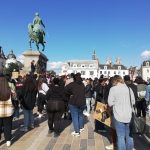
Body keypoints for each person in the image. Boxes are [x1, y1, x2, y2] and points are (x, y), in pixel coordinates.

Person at [108, 76, 135, 150]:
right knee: (129, 136)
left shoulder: (113, 89)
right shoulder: (129, 89)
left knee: (120, 137)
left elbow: (110, 103)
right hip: (129, 115)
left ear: (114, 81)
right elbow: (133, 101)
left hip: (118, 115)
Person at [0, 74, 14, 147]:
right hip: (8, 111)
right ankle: (8, 140)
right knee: (7, 126)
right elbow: (15, 98)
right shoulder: (10, 90)